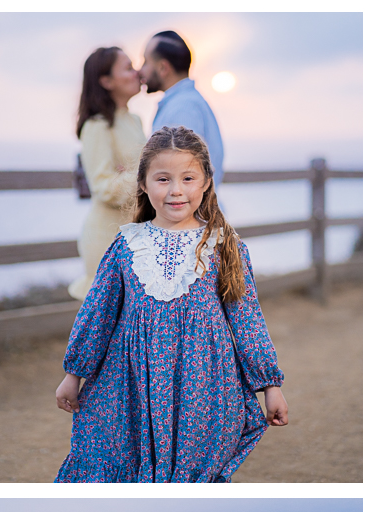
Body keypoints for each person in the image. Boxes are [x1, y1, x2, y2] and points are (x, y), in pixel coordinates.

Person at [54, 126, 288, 484]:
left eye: (188, 178)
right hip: (131, 386)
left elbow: (247, 321)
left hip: (204, 387)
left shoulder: (225, 246)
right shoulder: (126, 246)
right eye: (163, 179)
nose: (176, 190)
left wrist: (270, 385)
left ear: (207, 181)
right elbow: (97, 315)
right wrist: (74, 375)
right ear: (144, 184)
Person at [69, 47, 147, 301]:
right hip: (106, 239)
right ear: (106, 81)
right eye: (127, 67)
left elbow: (131, 179)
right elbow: (104, 188)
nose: (136, 72)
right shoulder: (96, 126)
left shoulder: (134, 120)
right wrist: (146, 174)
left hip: (136, 236)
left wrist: (132, 174)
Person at [140, 31, 224, 188]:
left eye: (145, 62)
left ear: (163, 68)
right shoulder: (187, 103)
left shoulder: (182, 109)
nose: (140, 71)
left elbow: (181, 178)